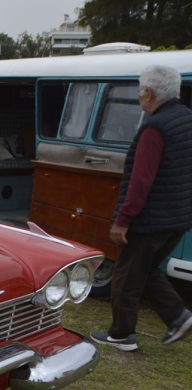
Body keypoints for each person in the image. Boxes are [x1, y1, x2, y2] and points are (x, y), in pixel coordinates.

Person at [90, 65, 192, 351]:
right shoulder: (186, 118)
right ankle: (178, 316)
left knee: (124, 275)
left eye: (139, 91)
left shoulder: (154, 128)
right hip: (179, 216)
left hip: (149, 219)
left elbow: (141, 180)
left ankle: (121, 334)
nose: (139, 97)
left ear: (148, 92)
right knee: (146, 270)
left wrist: (123, 220)